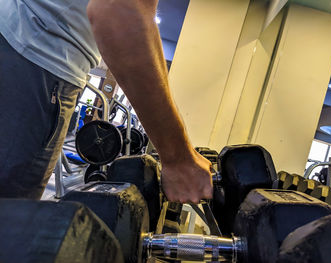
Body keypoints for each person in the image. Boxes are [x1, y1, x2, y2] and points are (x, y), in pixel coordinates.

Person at [0, 0, 213, 203]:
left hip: (22, 47)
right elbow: (119, 12)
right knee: (9, 221)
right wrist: (178, 159)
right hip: (35, 59)